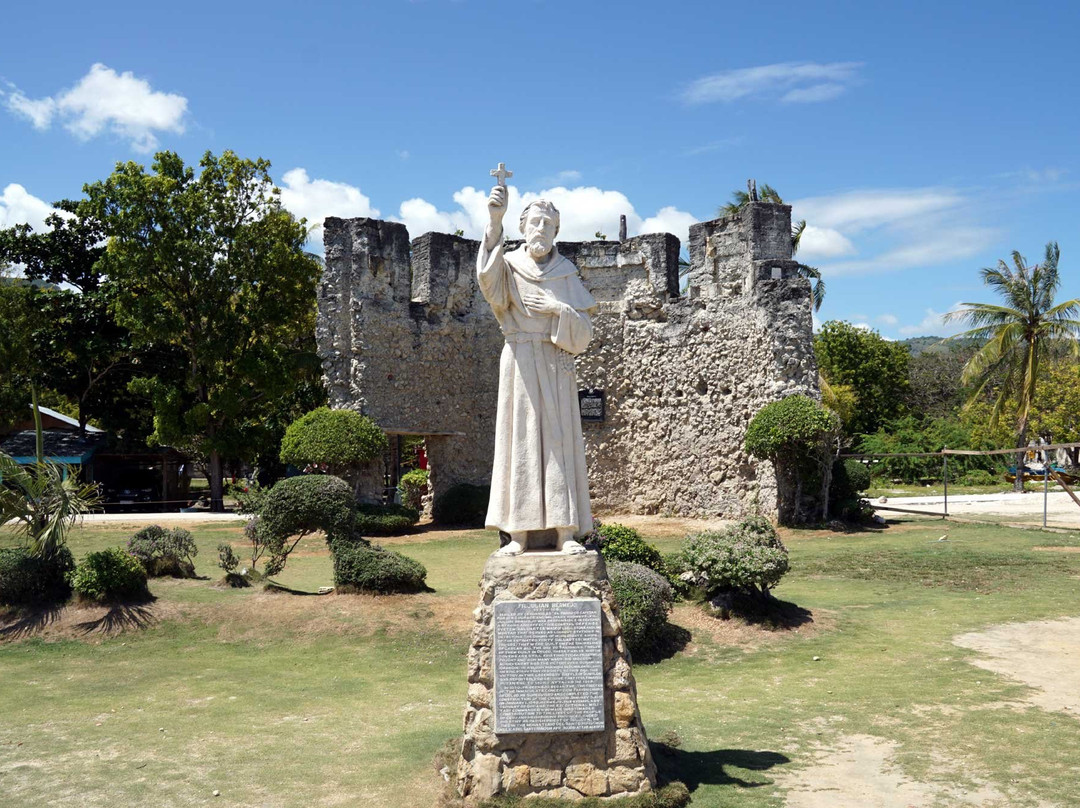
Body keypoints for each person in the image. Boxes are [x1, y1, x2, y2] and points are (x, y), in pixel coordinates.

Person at [477, 185, 596, 555]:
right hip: (520, 360)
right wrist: (494, 222)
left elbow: (586, 332)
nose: (541, 228)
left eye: (548, 223)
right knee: (522, 442)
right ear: (523, 226)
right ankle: (518, 534)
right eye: (535, 221)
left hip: (556, 361)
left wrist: (556, 309)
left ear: (556, 232)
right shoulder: (509, 266)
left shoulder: (566, 273)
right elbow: (490, 288)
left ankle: (566, 532)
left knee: (559, 444)